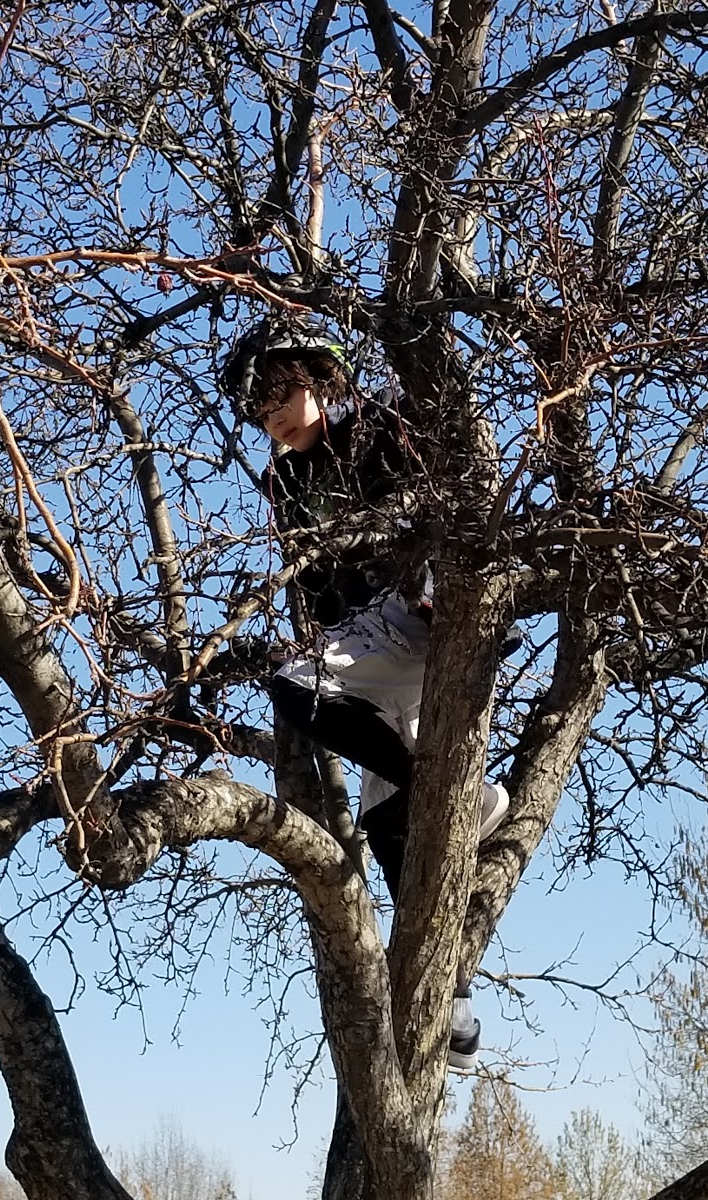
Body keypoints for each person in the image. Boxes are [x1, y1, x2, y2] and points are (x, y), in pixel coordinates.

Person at [221, 316, 509, 1069]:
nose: (273, 414)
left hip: (410, 623)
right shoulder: (284, 480)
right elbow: (313, 587)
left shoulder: (378, 430)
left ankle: (447, 789)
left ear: (317, 376)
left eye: (280, 390)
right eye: (257, 408)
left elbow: (449, 493)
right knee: (389, 830)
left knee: (293, 685)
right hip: (366, 651)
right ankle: (458, 1004)